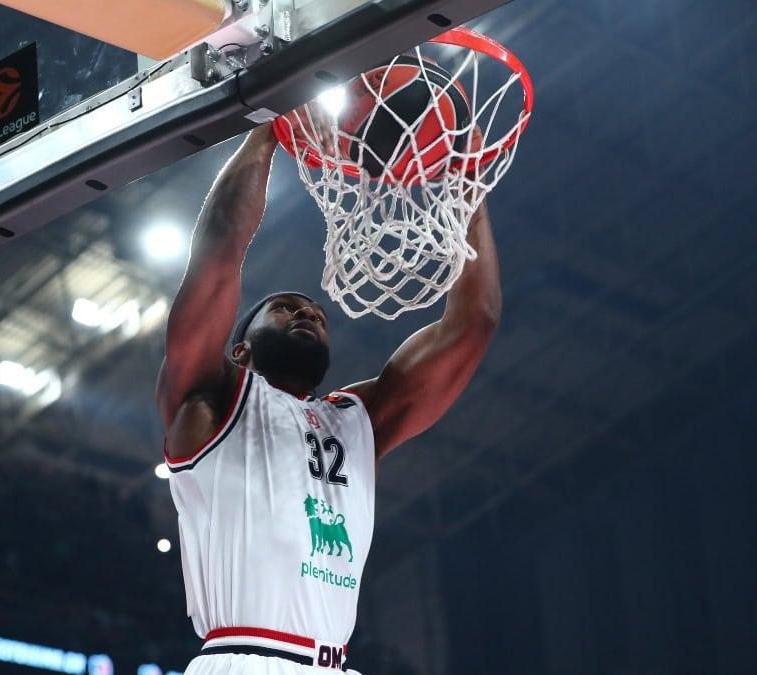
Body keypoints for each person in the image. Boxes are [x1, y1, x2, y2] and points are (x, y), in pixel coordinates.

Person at [155, 122, 501, 673]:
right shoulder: (211, 397)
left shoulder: (357, 420)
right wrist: (266, 131)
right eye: (285, 308)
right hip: (246, 657)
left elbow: (474, 322)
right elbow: (220, 250)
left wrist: (467, 188)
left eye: (315, 312)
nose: (308, 313)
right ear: (240, 350)